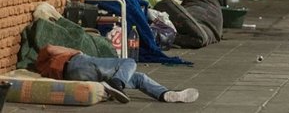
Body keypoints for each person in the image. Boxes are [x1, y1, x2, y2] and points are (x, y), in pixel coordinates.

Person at [36, 44, 199, 104]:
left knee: (138, 78)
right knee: (128, 62)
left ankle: (165, 94)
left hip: (74, 74)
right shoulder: (48, 56)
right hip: (77, 63)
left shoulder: (45, 71)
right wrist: (75, 51)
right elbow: (49, 48)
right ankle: (117, 84)